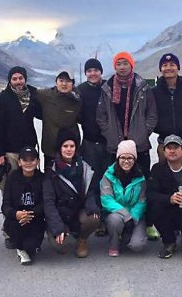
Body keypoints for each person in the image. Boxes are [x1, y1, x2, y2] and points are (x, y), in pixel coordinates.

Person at [96, 51, 158, 240]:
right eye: (118, 64)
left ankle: (148, 223)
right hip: (115, 147)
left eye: (125, 63)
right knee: (113, 184)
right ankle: (110, 222)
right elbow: (101, 116)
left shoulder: (143, 87)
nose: (122, 67)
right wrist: (109, 134)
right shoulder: (107, 88)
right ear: (114, 67)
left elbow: (152, 114)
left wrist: (142, 134)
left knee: (143, 184)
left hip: (138, 147)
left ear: (132, 65)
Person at [0, 66, 41, 248]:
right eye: (14, 78)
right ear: (9, 80)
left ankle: (31, 227)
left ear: (25, 79)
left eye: (21, 78)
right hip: (10, 152)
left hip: (29, 151)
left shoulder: (32, 97)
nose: (18, 81)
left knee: (31, 190)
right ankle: (9, 231)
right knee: (10, 192)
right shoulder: (0, 100)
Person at [43, 129, 100, 258]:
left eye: (72, 146)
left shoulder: (84, 167)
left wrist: (92, 206)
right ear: (59, 148)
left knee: (93, 218)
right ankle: (57, 233)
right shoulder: (51, 172)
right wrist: (57, 226)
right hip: (60, 215)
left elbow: (90, 191)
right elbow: (49, 203)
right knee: (63, 247)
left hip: (77, 211)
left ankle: (82, 240)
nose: (69, 149)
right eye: (65, 146)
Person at [100, 140, 147, 257]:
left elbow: (142, 200)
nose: (126, 161)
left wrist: (134, 217)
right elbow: (107, 200)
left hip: (135, 214)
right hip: (116, 213)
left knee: (137, 246)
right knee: (114, 220)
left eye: (130, 158)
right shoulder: (108, 176)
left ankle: (127, 238)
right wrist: (127, 216)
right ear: (118, 158)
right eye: (123, 158)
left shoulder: (140, 177)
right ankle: (114, 244)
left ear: (135, 159)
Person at [77, 58, 107, 236]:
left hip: (107, 143)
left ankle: (107, 218)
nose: (93, 73)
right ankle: (97, 220)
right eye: (89, 70)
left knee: (107, 180)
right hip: (88, 143)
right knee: (91, 182)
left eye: (96, 70)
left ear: (101, 72)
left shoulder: (108, 88)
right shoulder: (80, 90)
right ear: (86, 73)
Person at [2, 146, 45, 266]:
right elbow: (5, 206)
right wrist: (16, 214)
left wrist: (31, 214)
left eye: (32, 160)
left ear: (38, 161)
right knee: (16, 232)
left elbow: (45, 203)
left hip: (35, 218)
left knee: (32, 248)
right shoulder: (12, 178)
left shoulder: (42, 178)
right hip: (16, 220)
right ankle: (20, 248)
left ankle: (30, 246)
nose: (28, 163)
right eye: (25, 160)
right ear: (19, 162)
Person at [36, 70, 81, 171]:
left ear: (73, 84)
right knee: (49, 181)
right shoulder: (45, 95)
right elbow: (28, 93)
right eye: (61, 80)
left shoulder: (78, 99)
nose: (64, 84)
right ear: (56, 82)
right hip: (50, 150)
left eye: (68, 81)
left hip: (70, 151)